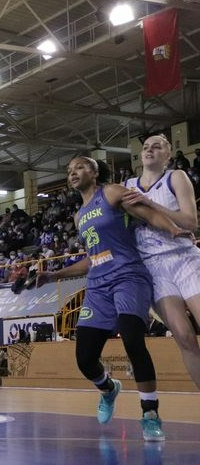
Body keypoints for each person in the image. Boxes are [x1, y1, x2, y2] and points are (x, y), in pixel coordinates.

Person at [36, 155, 191, 443]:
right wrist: (55, 275)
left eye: (80, 167)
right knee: (84, 359)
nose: (73, 173)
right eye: (69, 170)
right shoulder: (79, 216)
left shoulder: (113, 192)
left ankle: (150, 413)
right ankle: (109, 388)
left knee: (132, 339)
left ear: (95, 172)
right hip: (98, 287)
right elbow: (92, 258)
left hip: (129, 276)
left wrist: (172, 228)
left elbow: (147, 213)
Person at [123, 134, 200, 388]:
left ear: (168, 155)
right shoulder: (127, 185)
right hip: (153, 267)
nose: (150, 150)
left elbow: (190, 222)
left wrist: (148, 204)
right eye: (146, 147)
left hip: (184, 257)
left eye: (157, 146)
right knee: (183, 336)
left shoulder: (176, 177)